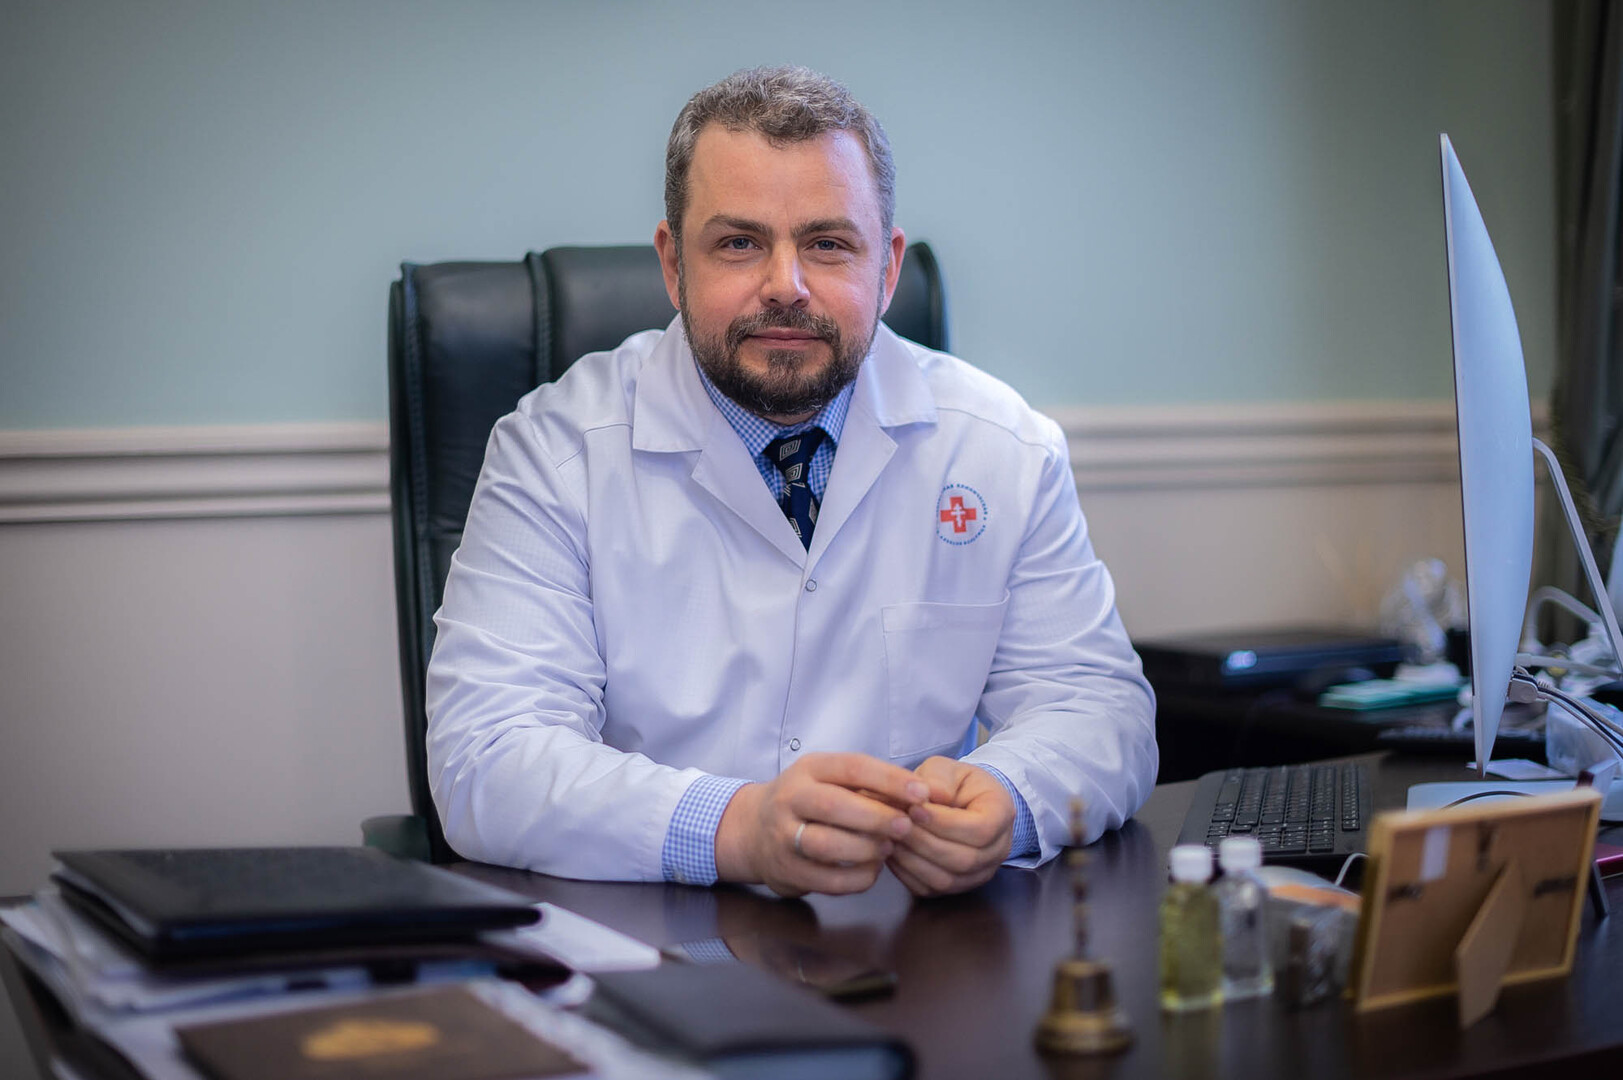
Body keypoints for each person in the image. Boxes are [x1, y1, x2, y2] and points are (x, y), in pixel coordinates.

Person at [425, 66, 1157, 899]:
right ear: (673, 265)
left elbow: (1098, 708)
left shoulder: (1002, 448)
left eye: (827, 244)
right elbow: (487, 757)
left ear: (886, 268)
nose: (785, 285)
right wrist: (735, 827)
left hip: (910, 936)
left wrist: (1009, 799)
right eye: (738, 243)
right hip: (651, 933)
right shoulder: (553, 453)